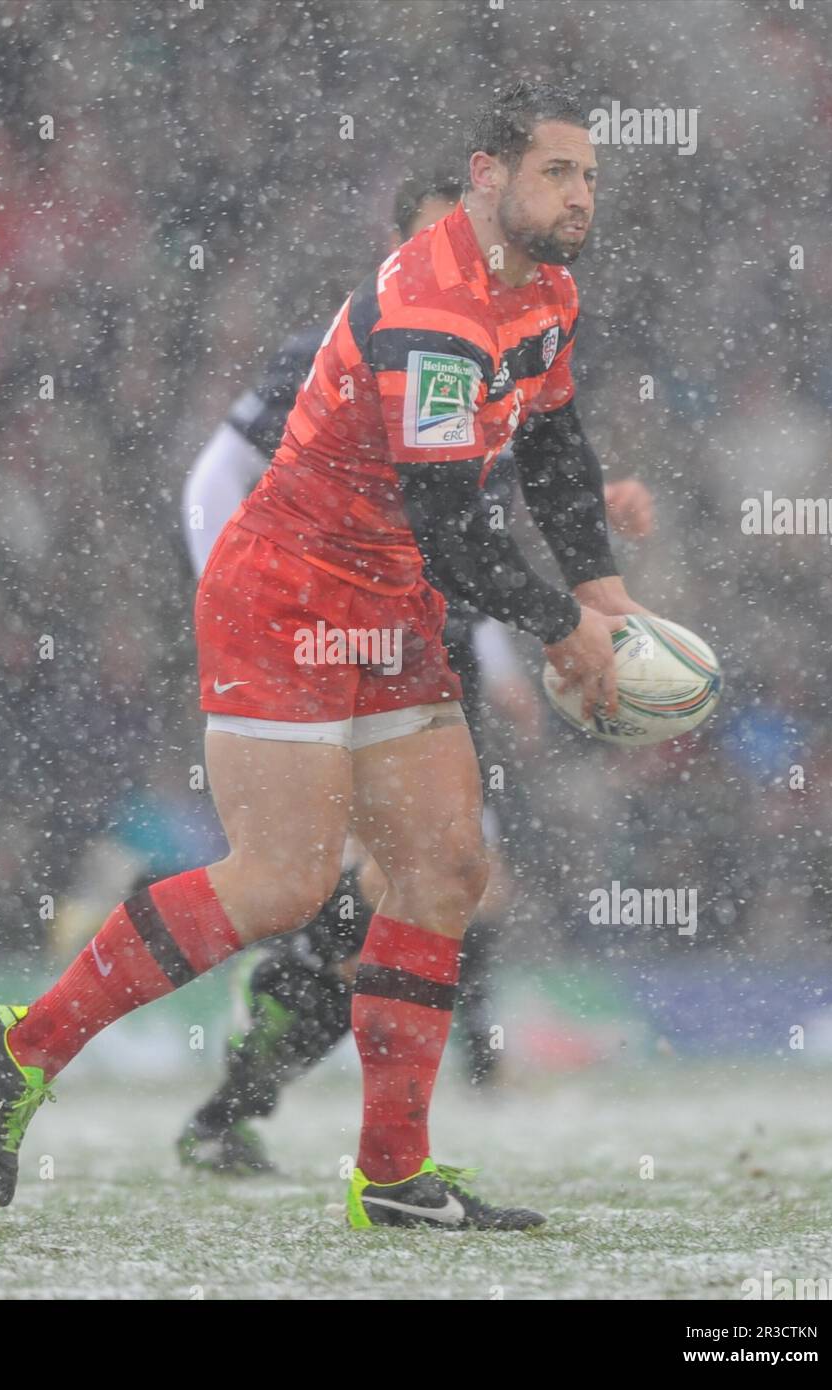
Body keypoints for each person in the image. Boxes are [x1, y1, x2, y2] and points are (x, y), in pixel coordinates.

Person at [0, 79, 651, 1230]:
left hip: (393, 603)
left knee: (441, 872)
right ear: (486, 174)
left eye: (587, 175)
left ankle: (391, 1176)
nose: (579, 196)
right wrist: (558, 628)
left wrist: (602, 593)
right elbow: (447, 521)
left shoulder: (545, 294)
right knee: (278, 880)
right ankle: (17, 1053)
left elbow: (556, 446)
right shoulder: (431, 312)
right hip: (287, 599)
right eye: (555, 172)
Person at [175, 174, 654, 1174]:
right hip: (325, 643)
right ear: (396, 247)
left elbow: (466, 514)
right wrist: (241, 609)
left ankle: (304, 1084)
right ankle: (265, 1089)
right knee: (374, 886)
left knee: (453, 880)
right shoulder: (338, 348)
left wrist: (573, 534)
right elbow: (213, 476)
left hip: (425, 645)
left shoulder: (492, 344)